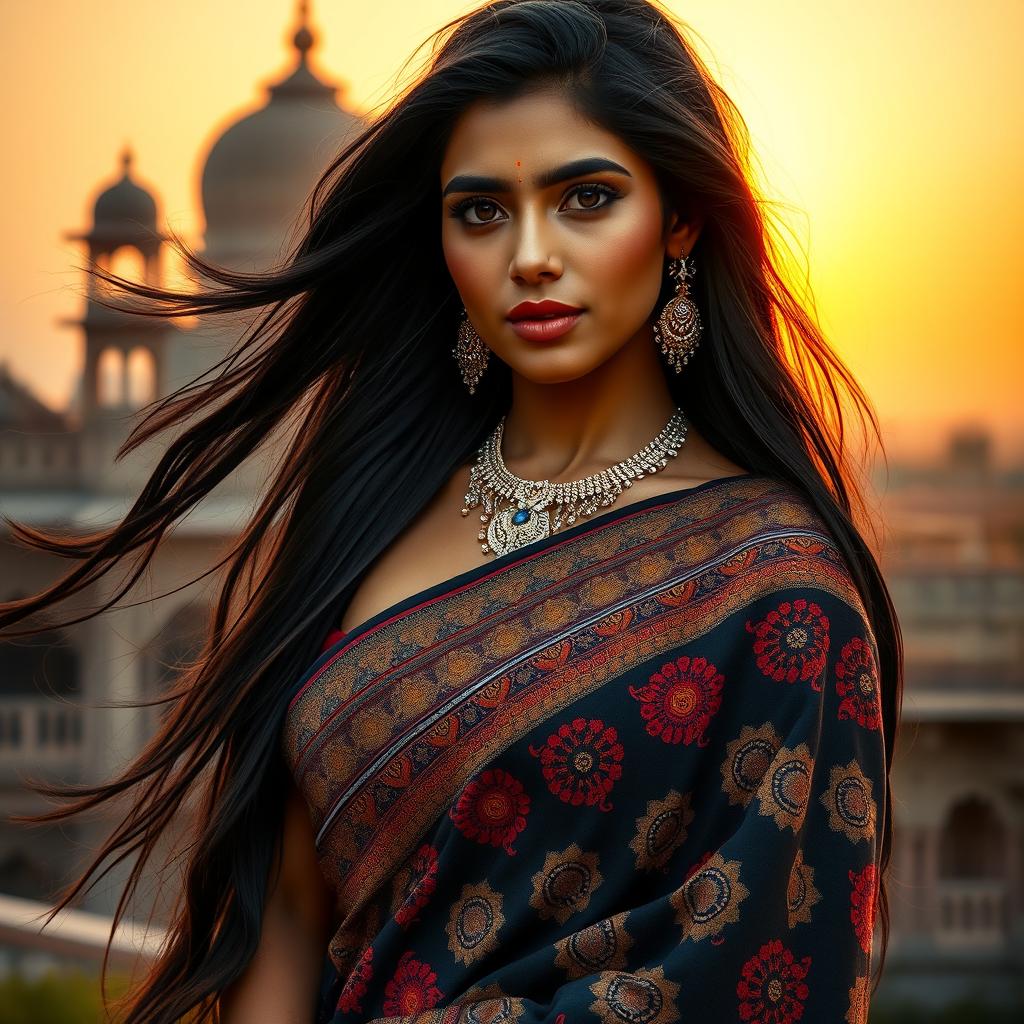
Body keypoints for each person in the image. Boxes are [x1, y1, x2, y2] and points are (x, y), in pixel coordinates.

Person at [1, 2, 902, 1022]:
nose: (528, 254)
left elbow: (768, 974)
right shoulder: (363, 513)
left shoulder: (774, 589)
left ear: (681, 216)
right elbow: (289, 913)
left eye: (586, 198)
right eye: (480, 210)